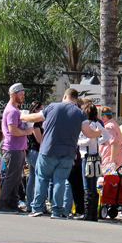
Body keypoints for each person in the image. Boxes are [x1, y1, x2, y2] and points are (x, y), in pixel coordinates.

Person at [21, 88, 102, 218]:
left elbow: (35, 117)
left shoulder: (52, 107)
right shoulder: (80, 113)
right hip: (68, 152)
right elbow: (88, 133)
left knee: (42, 178)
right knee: (60, 180)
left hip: (48, 149)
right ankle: (57, 211)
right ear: (76, 100)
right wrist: (98, 132)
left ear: (65, 96)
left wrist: (22, 116)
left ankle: (37, 208)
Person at [0, 83, 35, 214]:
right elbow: (12, 130)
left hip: (16, 148)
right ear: (13, 94)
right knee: (12, 177)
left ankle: (12, 203)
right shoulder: (12, 111)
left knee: (16, 177)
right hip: (12, 149)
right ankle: (2, 203)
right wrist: (27, 131)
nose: (23, 96)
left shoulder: (14, 110)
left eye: (23, 94)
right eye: (21, 94)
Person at [77, 103, 111, 221]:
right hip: (96, 157)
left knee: (87, 185)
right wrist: (97, 142)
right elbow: (107, 136)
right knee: (92, 184)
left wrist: (80, 142)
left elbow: (86, 140)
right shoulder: (97, 124)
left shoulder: (86, 125)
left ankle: (87, 213)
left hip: (87, 157)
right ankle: (93, 213)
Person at [24, 101, 46, 212]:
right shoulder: (36, 124)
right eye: (39, 109)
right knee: (39, 178)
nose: (41, 112)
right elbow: (39, 139)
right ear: (34, 110)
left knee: (32, 178)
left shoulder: (33, 122)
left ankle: (30, 204)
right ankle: (38, 204)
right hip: (35, 151)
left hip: (31, 152)